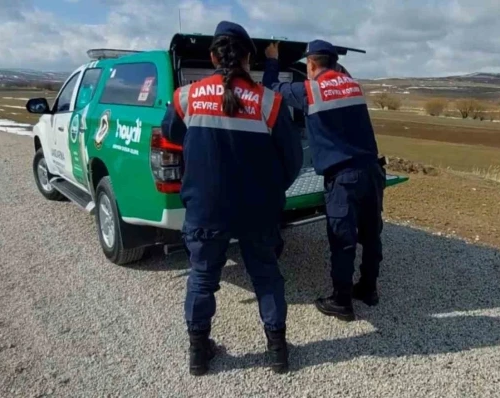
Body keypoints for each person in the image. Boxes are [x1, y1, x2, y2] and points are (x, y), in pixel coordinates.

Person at [161, 21, 303, 376]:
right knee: (267, 276)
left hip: (206, 208)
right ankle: (277, 352)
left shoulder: (185, 96)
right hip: (258, 208)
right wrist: (274, 190)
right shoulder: (271, 102)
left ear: (213, 57)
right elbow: (293, 160)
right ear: (249, 59)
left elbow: (171, 135)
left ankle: (198, 354)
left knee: (202, 278)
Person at [262, 40, 385, 322]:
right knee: (371, 234)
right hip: (372, 171)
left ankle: (341, 302)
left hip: (344, 179)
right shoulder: (353, 85)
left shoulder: (310, 90)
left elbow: (271, 87)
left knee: (343, 240)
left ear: (312, 65)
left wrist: (271, 59)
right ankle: (369, 289)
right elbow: (338, 73)